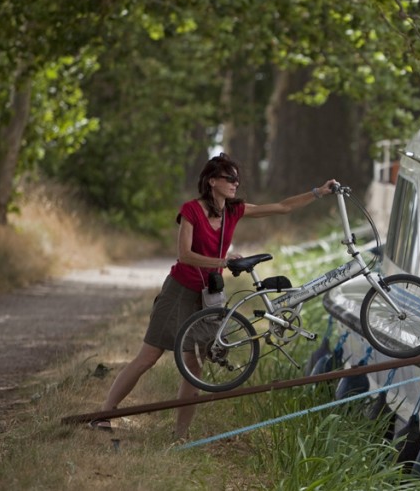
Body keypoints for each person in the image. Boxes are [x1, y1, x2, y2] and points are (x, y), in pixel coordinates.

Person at [90, 153, 338, 439]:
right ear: (212, 181)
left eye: (237, 179)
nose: (236, 183)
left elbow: (281, 207)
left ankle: (180, 435)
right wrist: (223, 262)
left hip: (207, 295)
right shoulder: (191, 211)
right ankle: (104, 414)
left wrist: (318, 192)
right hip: (180, 291)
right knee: (148, 356)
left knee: (194, 366)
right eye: (229, 178)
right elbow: (184, 255)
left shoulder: (234, 210)